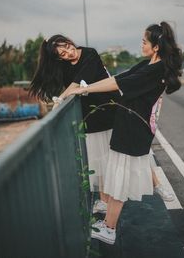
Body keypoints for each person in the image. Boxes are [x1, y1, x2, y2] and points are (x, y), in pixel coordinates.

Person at [66, 21, 182, 244]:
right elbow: (117, 79)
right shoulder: (148, 64)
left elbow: (117, 83)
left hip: (133, 130)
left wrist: (85, 88)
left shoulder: (154, 70)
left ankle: (109, 229)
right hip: (129, 127)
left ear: (156, 46)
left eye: (143, 41)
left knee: (118, 178)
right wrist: (86, 87)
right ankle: (108, 224)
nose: (141, 45)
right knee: (117, 175)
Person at [29, 35, 119, 212]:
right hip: (90, 116)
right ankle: (103, 200)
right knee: (97, 160)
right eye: (62, 54)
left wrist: (60, 99)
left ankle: (116, 198)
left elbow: (77, 84)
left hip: (108, 110)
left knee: (112, 158)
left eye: (67, 47)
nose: (68, 53)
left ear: (69, 42)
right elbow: (68, 83)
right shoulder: (63, 66)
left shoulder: (90, 54)